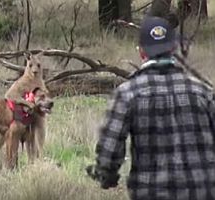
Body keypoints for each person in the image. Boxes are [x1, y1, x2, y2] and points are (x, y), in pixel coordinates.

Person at [87, 16, 215, 200]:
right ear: (173, 49)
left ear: (141, 52)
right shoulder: (202, 92)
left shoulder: (128, 93)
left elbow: (110, 149)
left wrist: (106, 176)